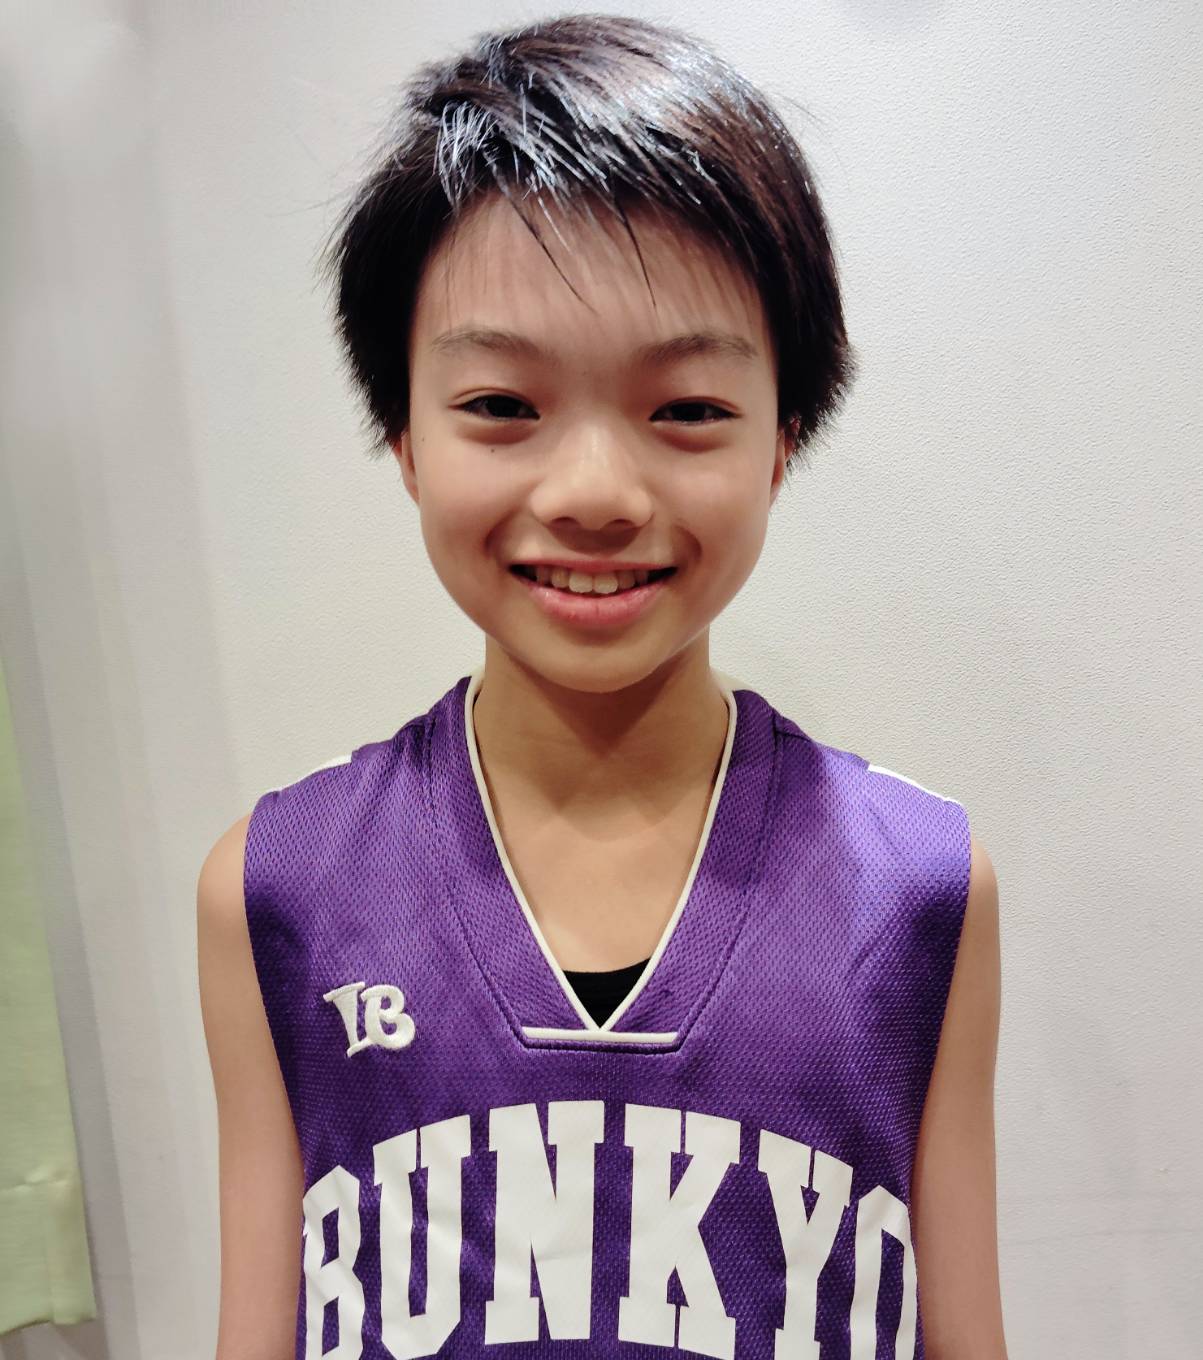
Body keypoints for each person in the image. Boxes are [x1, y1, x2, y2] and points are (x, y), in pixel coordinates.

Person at [197, 12, 1006, 1358]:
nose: (592, 493)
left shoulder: (920, 884)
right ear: (402, 433)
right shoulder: (274, 887)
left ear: (783, 438)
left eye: (685, 409)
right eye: (502, 407)